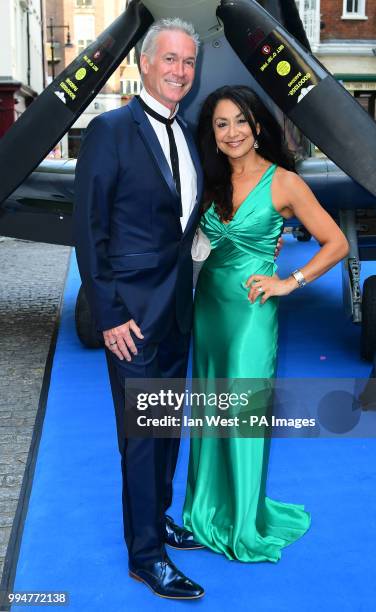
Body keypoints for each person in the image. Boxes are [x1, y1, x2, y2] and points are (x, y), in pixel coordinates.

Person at [183, 85, 349, 562]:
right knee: (212, 406)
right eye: (221, 124)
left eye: (240, 120)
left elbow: (335, 243)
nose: (232, 132)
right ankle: (206, 508)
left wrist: (290, 281)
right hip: (209, 306)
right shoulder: (206, 179)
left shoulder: (284, 183)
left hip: (253, 313)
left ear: (257, 126)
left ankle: (245, 523)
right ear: (211, 134)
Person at [74, 19, 206, 600]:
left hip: (177, 310)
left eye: (188, 63)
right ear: (145, 64)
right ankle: (145, 555)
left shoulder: (192, 133)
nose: (180, 71)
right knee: (142, 436)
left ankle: (159, 519)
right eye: (171, 60)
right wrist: (107, 314)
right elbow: (90, 228)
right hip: (129, 315)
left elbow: (186, 224)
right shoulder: (109, 131)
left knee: (166, 428)